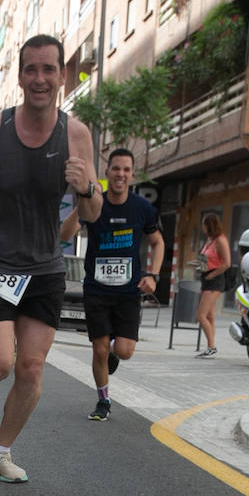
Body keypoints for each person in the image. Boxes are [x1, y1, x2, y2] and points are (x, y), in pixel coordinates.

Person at [0, 33, 102, 483]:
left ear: (62, 76)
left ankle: (1, 452)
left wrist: (86, 187)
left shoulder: (77, 135)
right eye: (31, 69)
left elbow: (92, 213)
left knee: (31, 367)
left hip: (45, 267)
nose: (40, 78)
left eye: (49, 69)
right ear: (19, 76)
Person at [62, 147, 165, 421]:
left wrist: (152, 275)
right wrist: (83, 202)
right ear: (107, 173)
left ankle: (112, 358)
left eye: (126, 170)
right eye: (115, 168)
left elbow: (158, 242)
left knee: (123, 351)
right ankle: (103, 401)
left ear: (132, 175)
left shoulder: (142, 208)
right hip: (96, 289)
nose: (120, 174)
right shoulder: (94, 203)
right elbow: (64, 234)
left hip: (128, 292)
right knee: (99, 348)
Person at [196, 211, 231, 358]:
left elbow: (226, 263)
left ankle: (211, 346)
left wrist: (212, 275)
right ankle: (210, 345)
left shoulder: (220, 240)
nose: (202, 227)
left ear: (209, 225)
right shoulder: (209, 240)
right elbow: (209, 259)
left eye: (204, 224)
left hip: (215, 280)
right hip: (206, 277)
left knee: (201, 315)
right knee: (209, 316)